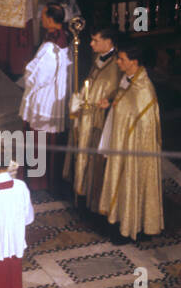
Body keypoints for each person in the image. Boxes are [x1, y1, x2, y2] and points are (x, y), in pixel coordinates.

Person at [99, 42, 164, 239]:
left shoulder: (143, 90)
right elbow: (122, 100)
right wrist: (110, 103)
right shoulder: (128, 78)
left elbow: (144, 123)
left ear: (134, 62)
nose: (118, 62)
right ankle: (118, 221)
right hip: (120, 142)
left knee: (130, 181)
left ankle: (130, 227)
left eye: (122, 59)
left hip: (133, 149)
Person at [67, 24, 124, 212]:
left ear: (109, 42)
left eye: (96, 40)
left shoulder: (117, 65)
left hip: (98, 120)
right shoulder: (98, 58)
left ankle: (89, 199)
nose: (91, 44)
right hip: (86, 115)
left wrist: (106, 101)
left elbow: (117, 92)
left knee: (92, 160)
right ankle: (78, 193)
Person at [19, 3, 72, 193]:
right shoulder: (61, 37)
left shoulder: (52, 49)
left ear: (50, 20)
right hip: (51, 95)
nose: (41, 18)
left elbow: (39, 77)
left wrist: (28, 69)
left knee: (38, 140)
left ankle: (38, 183)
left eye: (43, 15)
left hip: (45, 99)